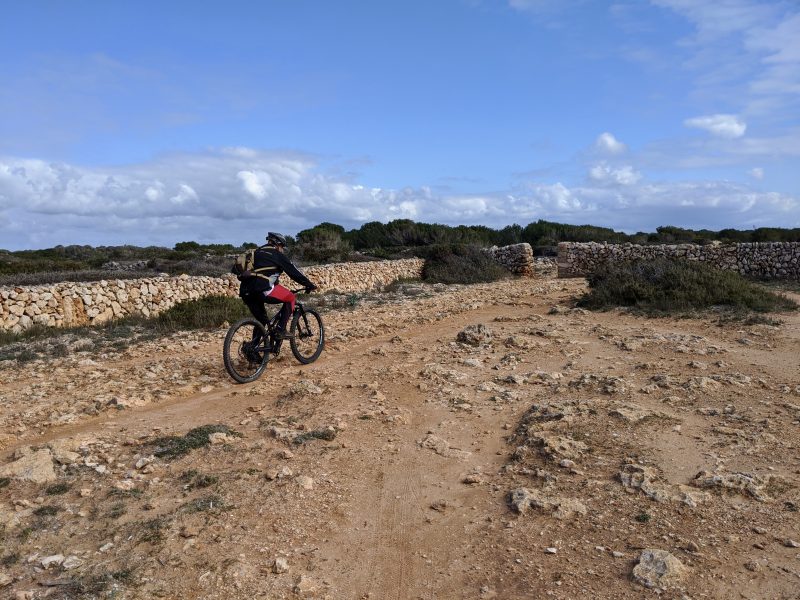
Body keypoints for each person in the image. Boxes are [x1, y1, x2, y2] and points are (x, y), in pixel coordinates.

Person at [237, 232, 317, 345]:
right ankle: (280, 330)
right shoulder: (277, 254)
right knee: (290, 298)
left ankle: (252, 350)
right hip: (262, 289)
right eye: (282, 247)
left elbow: (267, 273)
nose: (282, 249)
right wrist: (309, 284)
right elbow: (293, 272)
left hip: (246, 291)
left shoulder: (256, 252)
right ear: (278, 244)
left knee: (261, 321)